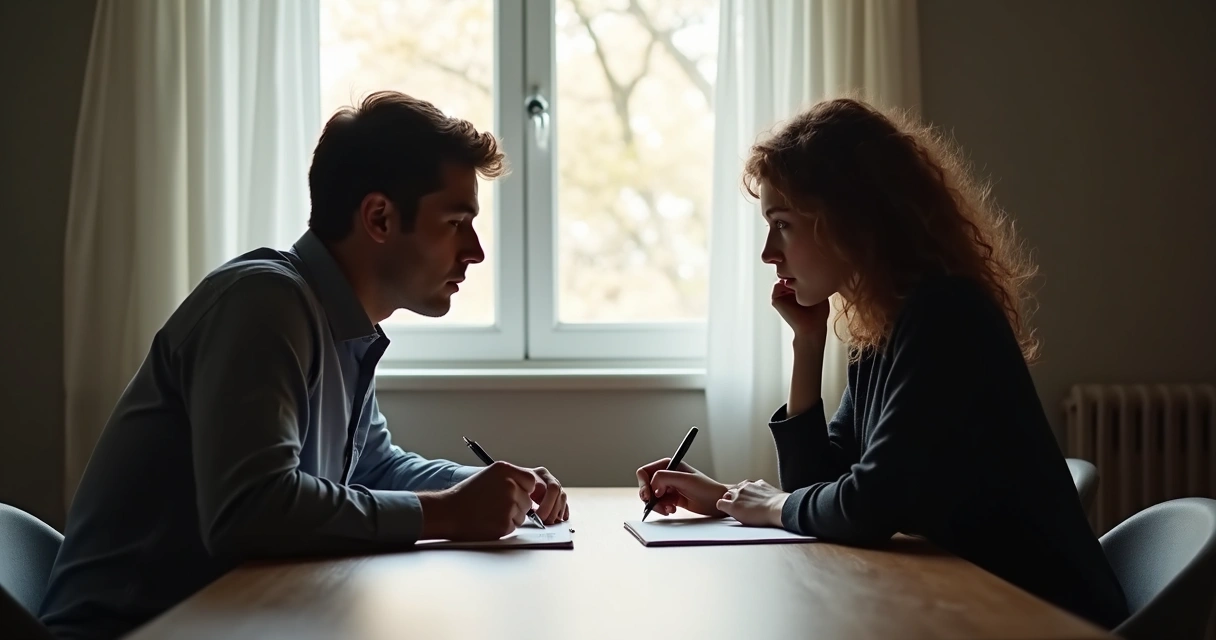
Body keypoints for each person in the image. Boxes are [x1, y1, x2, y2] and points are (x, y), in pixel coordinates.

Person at [41, 91, 569, 640]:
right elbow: (253, 512)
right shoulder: (263, 305)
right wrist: (450, 512)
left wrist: (490, 486)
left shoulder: (338, 323)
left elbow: (373, 469)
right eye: (456, 221)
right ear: (380, 217)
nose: (476, 251)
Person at [635, 98, 1129, 629]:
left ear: (849, 220)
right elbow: (822, 483)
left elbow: (868, 505)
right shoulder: (887, 324)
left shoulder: (945, 314)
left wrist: (771, 506)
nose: (767, 253)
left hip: (1038, 617)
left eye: (782, 225)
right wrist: (808, 340)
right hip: (972, 605)